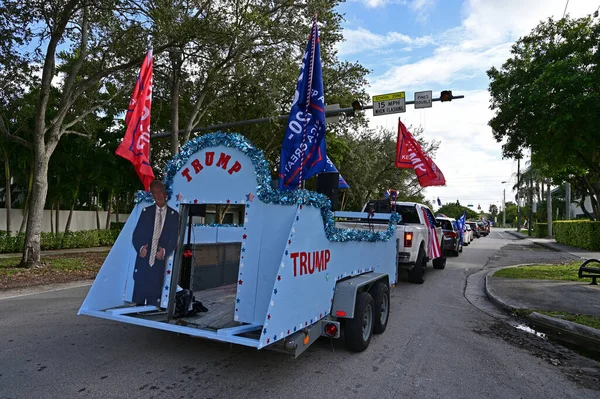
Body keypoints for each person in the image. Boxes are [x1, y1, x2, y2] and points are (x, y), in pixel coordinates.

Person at [131, 180, 179, 306]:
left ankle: (153, 312)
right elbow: (136, 235)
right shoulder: (146, 212)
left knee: (154, 295)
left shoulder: (174, 215)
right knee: (139, 296)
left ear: (165, 193)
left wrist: (164, 251)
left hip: (159, 262)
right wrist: (141, 248)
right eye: (154, 192)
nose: (158, 195)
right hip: (143, 261)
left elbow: (174, 239)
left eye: (160, 191)